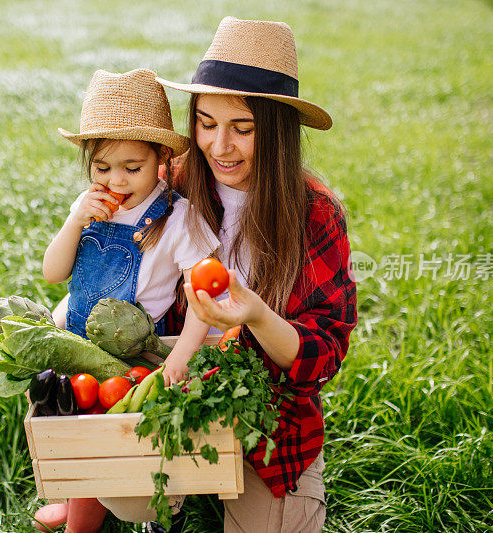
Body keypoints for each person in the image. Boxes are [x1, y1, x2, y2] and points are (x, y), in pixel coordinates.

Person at [153, 16, 358, 533]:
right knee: (133, 492)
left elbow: (324, 353)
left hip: (271, 407)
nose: (220, 146)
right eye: (206, 123)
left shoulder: (314, 213)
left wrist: (258, 315)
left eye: (242, 129)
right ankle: (164, 503)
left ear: (276, 130)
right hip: (178, 382)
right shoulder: (176, 186)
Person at [35, 68, 219, 533]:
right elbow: (53, 273)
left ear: (161, 159)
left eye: (131, 168)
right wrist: (75, 220)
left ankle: (161, 511)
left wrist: (180, 356)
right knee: (74, 424)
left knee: (124, 434)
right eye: (102, 168)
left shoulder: (178, 218)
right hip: (79, 339)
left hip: (133, 351)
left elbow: (203, 295)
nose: (115, 180)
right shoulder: (90, 205)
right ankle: (79, 501)